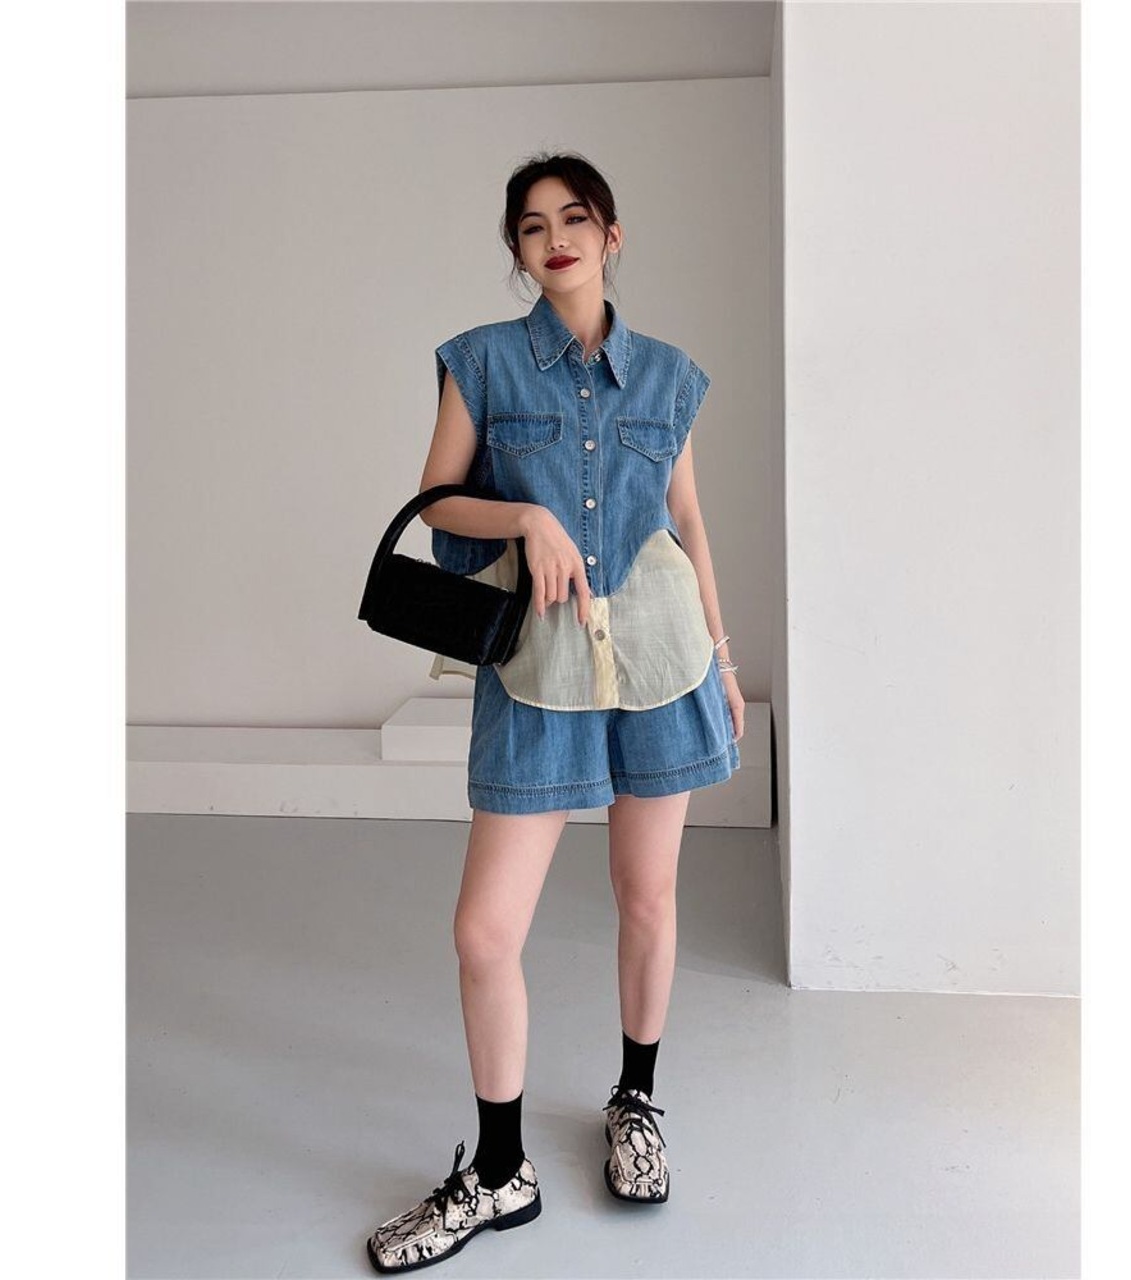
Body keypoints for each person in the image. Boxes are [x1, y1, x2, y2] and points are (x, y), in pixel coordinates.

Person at [366, 151, 745, 1275]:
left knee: (647, 894)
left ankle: (635, 1101)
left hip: (663, 660)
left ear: (611, 235)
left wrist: (723, 655)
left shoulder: (669, 375)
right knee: (484, 931)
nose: (555, 238)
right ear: (517, 252)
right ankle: (499, 1170)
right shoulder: (479, 362)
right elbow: (438, 501)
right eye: (532, 227)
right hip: (538, 665)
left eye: (574, 218)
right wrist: (527, 520)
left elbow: (687, 524)